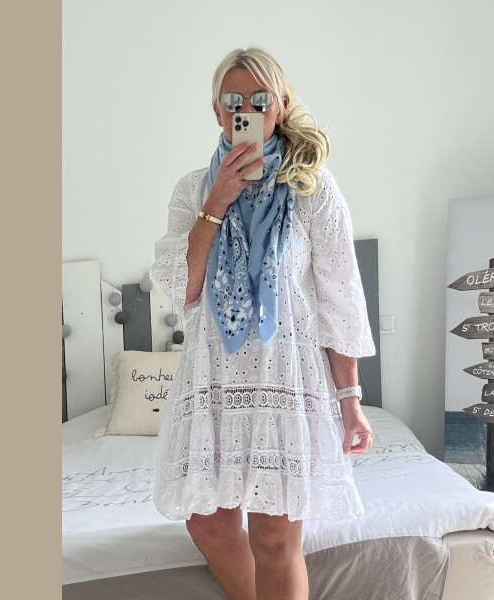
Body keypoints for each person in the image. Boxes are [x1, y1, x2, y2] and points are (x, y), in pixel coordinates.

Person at [150, 46, 376, 600]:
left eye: (259, 99)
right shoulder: (191, 190)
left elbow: (340, 300)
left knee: (274, 539)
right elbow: (182, 288)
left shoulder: (313, 189)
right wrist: (217, 201)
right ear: (216, 111)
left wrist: (349, 401)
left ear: (281, 107)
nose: (244, 110)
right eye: (232, 100)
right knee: (207, 524)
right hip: (214, 382)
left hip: (286, 380)